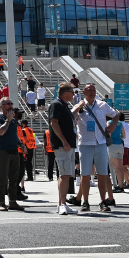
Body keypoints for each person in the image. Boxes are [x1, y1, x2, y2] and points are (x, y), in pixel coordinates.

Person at [74, 83, 119, 212]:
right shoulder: (80, 105)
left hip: (101, 143)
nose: (92, 92)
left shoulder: (102, 105)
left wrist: (113, 125)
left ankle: (103, 201)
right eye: (89, 90)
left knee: (102, 174)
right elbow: (71, 116)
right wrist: (79, 106)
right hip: (85, 144)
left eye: (93, 90)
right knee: (85, 174)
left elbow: (115, 114)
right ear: (84, 92)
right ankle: (85, 201)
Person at [49, 84, 78, 214]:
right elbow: (54, 123)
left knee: (67, 175)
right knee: (64, 174)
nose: (73, 95)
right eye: (72, 92)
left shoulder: (64, 105)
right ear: (66, 93)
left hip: (69, 145)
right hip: (63, 145)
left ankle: (63, 203)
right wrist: (64, 141)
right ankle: (62, 204)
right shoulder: (56, 104)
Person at [0, 97, 24, 211]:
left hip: (14, 150)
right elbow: (1, 131)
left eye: (11, 103)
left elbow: (14, 135)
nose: (11, 105)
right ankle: (1, 202)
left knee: (14, 178)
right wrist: (8, 120)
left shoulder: (14, 120)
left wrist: (21, 144)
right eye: (8, 104)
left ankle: (12, 201)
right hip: (3, 151)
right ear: (2, 106)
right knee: (2, 178)